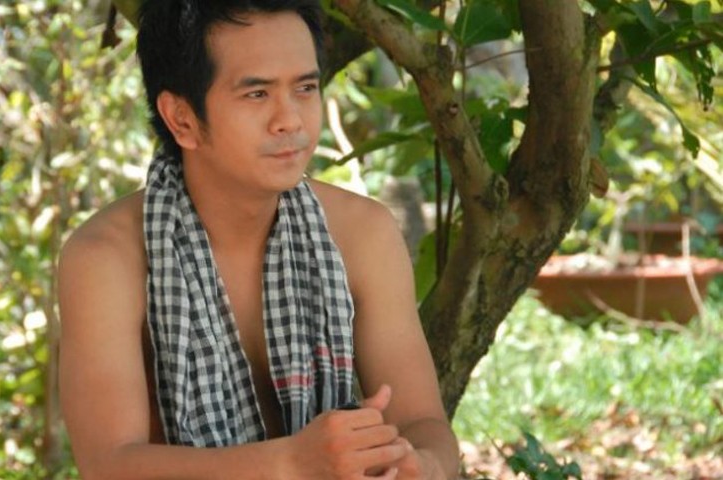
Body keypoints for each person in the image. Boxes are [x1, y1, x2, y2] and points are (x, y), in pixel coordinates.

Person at [57, 0, 460, 478]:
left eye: (305, 88)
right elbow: (109, 465)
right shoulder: (107, 259)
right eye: (257, 94)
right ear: (182, 118)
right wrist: (293, 463)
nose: (290, 120)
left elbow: (423, 421)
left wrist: (422, 465)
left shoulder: (362, 233)